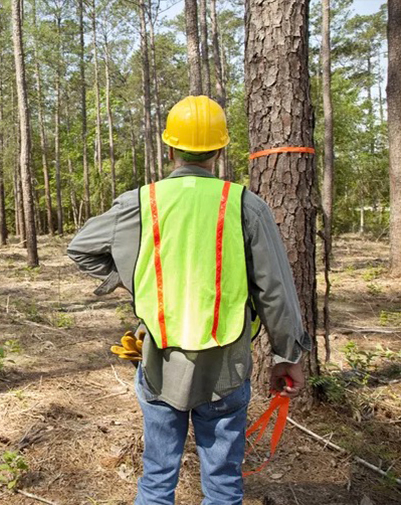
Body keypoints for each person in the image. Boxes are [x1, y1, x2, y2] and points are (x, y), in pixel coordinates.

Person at [67, 96, 312, 505]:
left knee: (158, 477)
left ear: (169, 149)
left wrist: (133, 279)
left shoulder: (140, 203)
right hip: (227, 367)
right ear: (220, 149)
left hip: (160, 361)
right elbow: (276, 291)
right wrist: (288, 356)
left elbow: (81, 248)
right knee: (222, 483)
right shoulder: (245, 206)